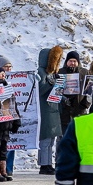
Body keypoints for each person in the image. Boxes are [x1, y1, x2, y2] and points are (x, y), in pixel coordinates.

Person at [36, 45, 63, 175]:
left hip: (52, 108)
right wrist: (51, 83)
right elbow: (39, 90)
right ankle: (43, 165)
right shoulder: (41, 72)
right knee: (45, 139)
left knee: (51, 139)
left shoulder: (51, 74)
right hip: (44, 109)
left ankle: (48, 164)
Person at [58, 51, 90, 134]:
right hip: (64, 111)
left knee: (80, 136)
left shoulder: (85, 72)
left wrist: (84, 105)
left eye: (74, 61)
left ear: (78, 62)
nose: (72, 63)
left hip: (80, 110)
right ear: (66, 62)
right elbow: (56, 90)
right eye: (70, 61)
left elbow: (90, 91)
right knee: (64, 135)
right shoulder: (60, 72)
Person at [0, 55, 17, 177]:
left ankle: (8, 169)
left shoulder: (15, 79)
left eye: (10, 67)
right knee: (1, 145)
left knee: (11, 144)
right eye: (6, 67)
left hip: (10, 115)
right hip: (0, 117)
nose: (8, 69)